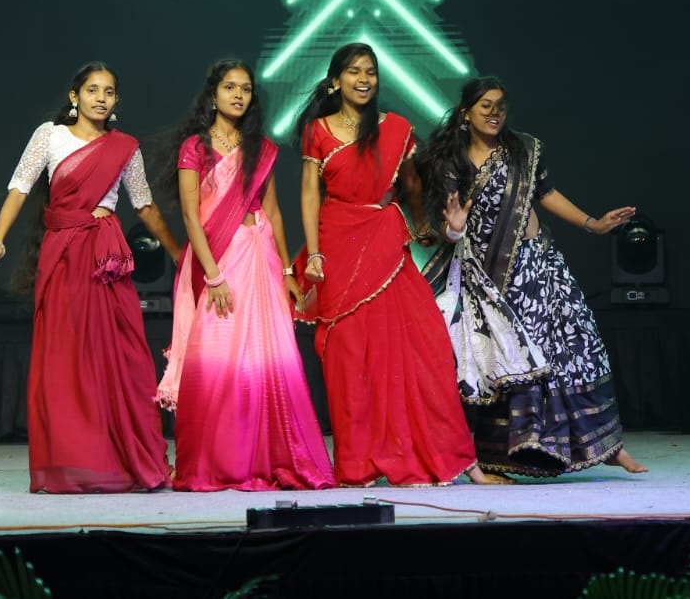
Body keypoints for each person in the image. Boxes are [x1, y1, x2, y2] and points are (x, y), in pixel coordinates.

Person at [419, 76, 647, 477]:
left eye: (501, 105)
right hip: (490, 279)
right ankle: (512, 453)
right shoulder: (451, 161)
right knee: (513, 362)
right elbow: (450, 225)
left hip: (540, 267)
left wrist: (592, 223)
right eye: (486, 105)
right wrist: (453, 230)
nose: (495, 113)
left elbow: (546, 193)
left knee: (576, 351)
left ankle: (607, 446)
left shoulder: (522, 149)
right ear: (466, 113)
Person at [0, 62, 182, 493]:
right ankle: (73, 461)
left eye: (109, 92)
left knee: (119, 355)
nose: (100, 98)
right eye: (92, 90)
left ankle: (122, 459)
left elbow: (144, 206)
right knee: (66, 356)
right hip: (63, 256)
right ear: (74, 97)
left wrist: (177, 253)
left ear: (116, 101)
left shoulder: (125, 147)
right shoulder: (49, 136)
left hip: (106, 259)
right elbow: (19, 188)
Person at [293, 42, 489, 486]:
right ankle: (357, 465)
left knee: (425, 345)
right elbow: (309, 194)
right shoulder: (317, 131)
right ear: (335, 81)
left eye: (371, 71)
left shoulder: (397, 128)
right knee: (348, 359)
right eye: (353, 71)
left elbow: (412, 188)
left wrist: (430, 228)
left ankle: (449, 457)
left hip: (385, 242)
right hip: (337, 246)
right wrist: (314, 253)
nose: (363, 79)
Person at [155, 60, 334, 491]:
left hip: (260, 258)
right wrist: (214, 277)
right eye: (230, 87)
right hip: (218, 261)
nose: (238, 95)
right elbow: (191, 217)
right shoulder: (194, 148)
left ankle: (266, 455)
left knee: (265, 359)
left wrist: (287, 269)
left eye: (246, 89)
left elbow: (273, 212)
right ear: (213, 94)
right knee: (218, 358)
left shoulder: (260, 148)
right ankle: (219, 459)